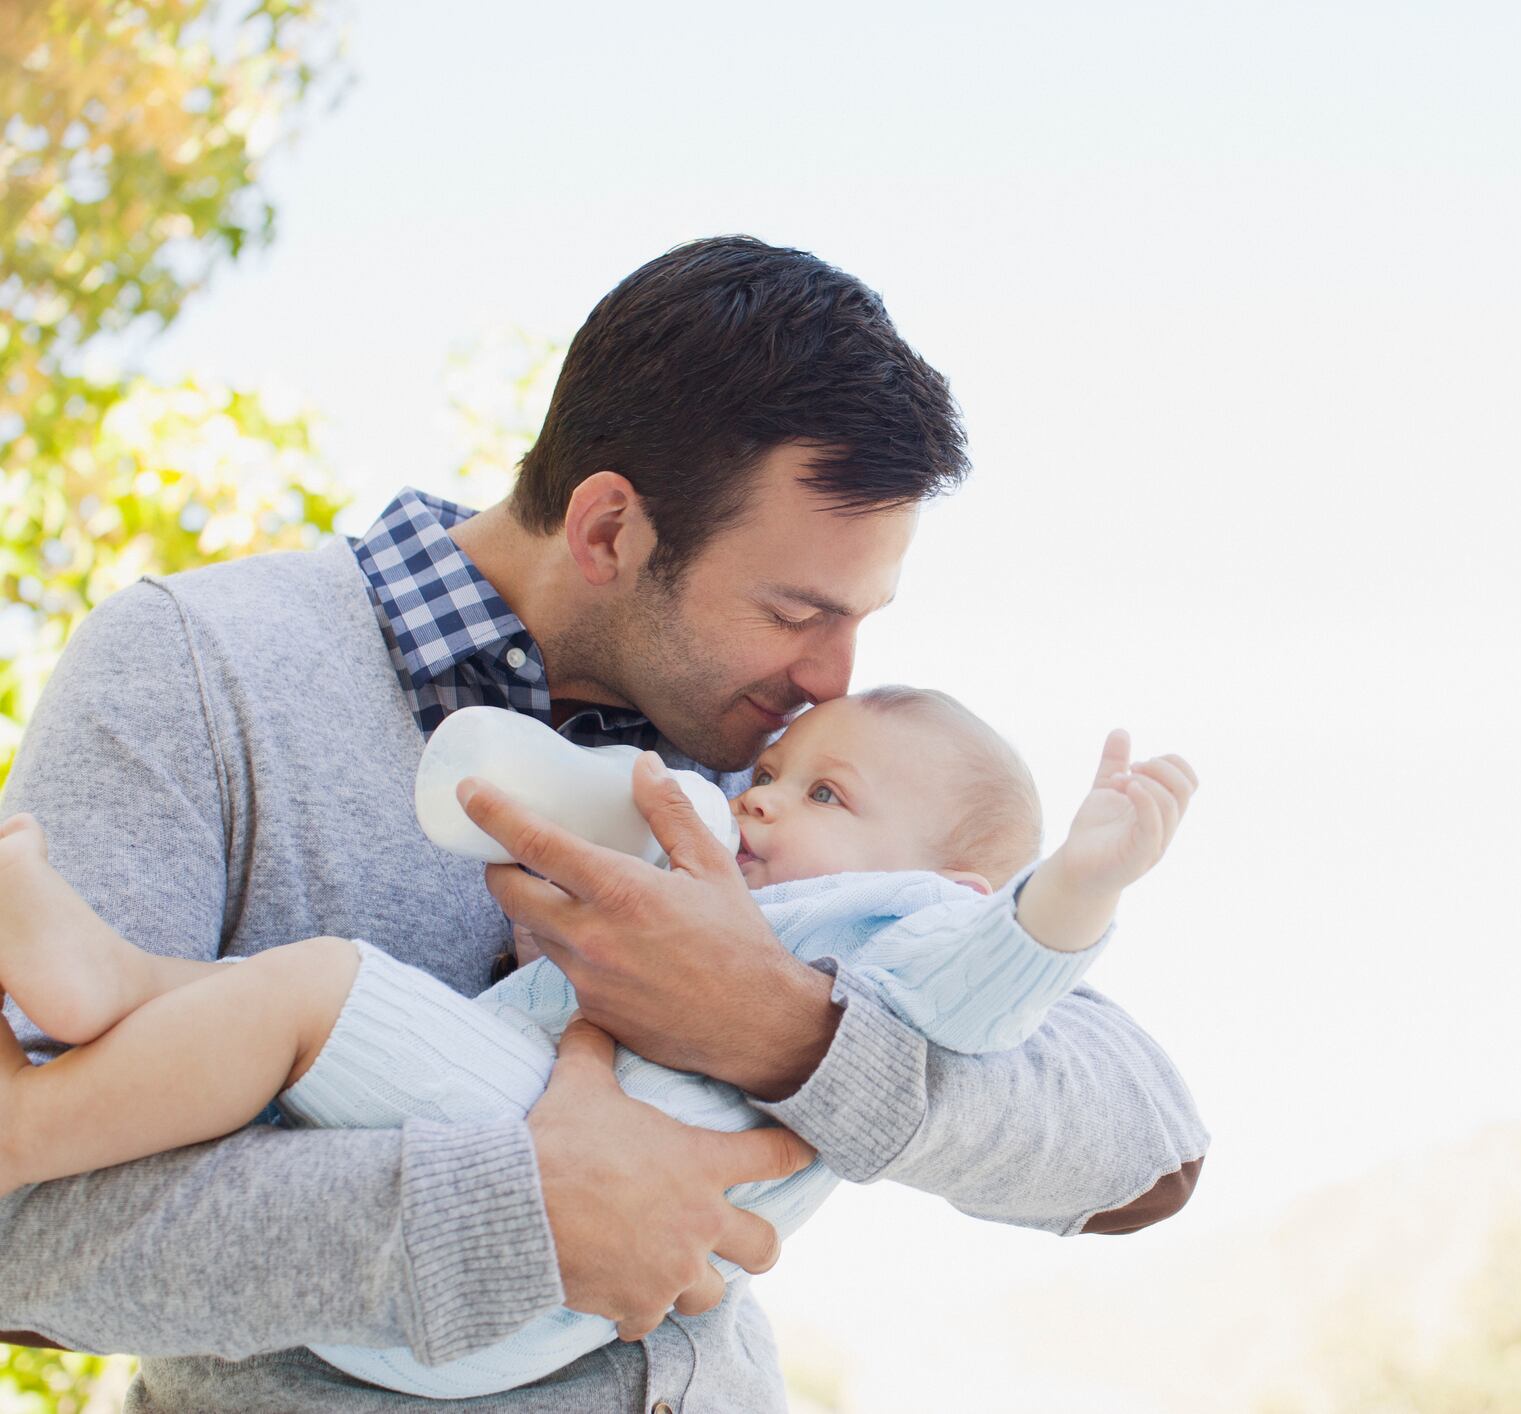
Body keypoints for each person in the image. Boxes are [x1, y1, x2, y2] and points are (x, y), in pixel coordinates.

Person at [0, 237, 1208, 1412]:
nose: (835, 674)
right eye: (796, 610)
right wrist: (509, 1214)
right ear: (608, 530)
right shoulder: (198, 670)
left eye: (857, 617)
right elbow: (19, 1240)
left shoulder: (779, 777)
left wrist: (785, 1030)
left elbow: (1140, 1151)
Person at [0, 687, 1198, 1399]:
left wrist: (1072, 892)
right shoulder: (195, 671)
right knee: (276, 1012)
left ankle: (33, 1109)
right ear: (612, 521)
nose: (761, 795)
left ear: (956, 888)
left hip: (522, 1316)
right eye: (776, 774)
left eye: (825, 795)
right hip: (482, 1245)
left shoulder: (894, 930)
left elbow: (1094, 1089)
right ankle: (111, 989)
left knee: (323, 988)